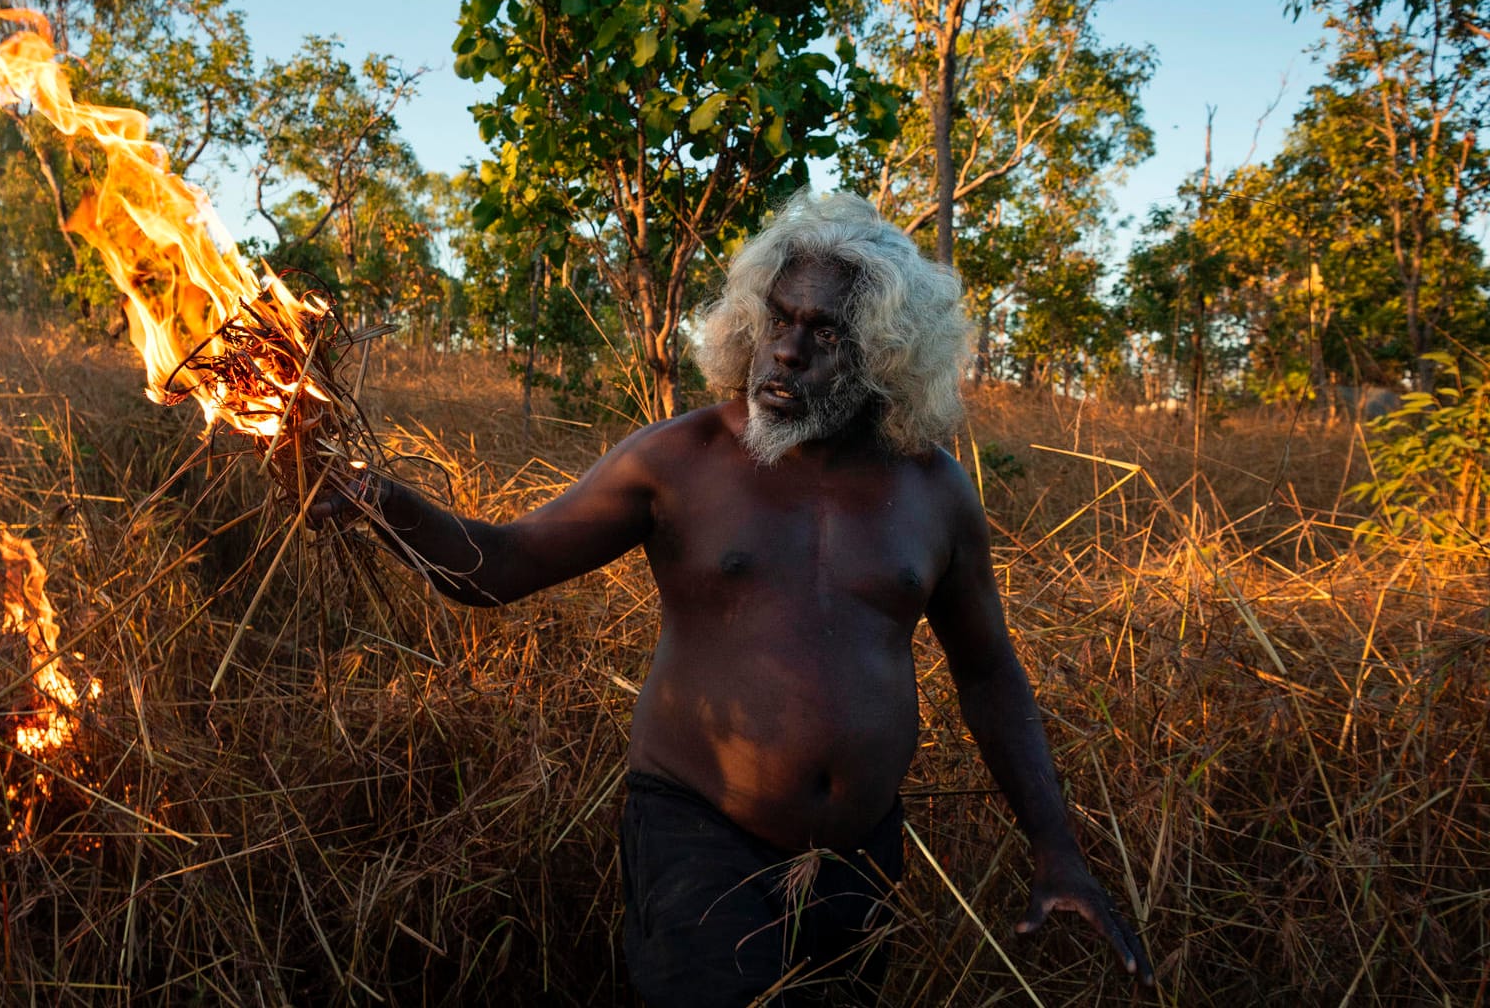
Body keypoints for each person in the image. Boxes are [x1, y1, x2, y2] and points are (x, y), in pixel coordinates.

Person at [309, 191, 1152, 1005]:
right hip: (700, 837)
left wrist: (1057, 846)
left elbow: (988, 674)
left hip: (859, 858)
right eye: (779, 319)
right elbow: (498, 566)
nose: (786, 351)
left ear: (886, 354)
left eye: (825, 333)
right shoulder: (679, 459)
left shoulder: (934, 491)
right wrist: (386, 501)